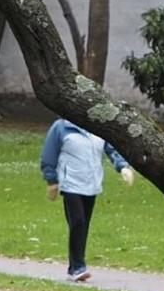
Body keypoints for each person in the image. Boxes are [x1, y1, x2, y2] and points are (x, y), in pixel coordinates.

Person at [39, 118, 134, 282]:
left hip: (91, 184)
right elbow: (49, 154)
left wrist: (122, 166)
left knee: (83, 225)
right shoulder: (62, 127)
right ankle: (78, 267)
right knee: (78, 222)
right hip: (71, 184)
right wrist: (51, 180)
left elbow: (111, 149)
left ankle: (73, 267)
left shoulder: (98, 126)